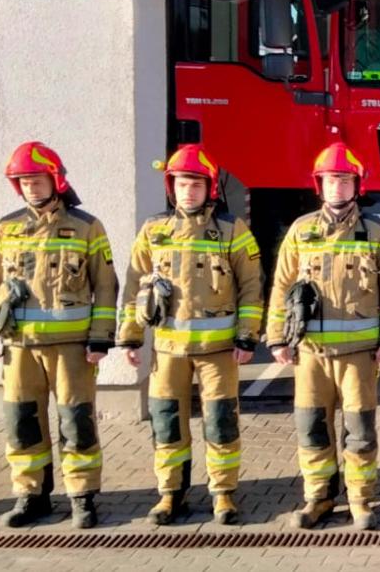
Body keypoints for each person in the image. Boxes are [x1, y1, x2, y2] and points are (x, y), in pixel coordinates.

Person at [116, 145, 263, 525]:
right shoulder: (154, 231)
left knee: (220, 423)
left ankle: (223, 495)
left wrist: (247, 337)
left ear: (209, 188)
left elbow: (251, 286)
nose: (189, 192)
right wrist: (131, 337)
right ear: (172, 186)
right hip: (167, 351)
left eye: (196, 184)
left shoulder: (233, 230)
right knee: (166, 423)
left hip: (219, 352)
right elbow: (135, 286)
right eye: (182, 184)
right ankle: (169, 494)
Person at [265, 142, 380, 529]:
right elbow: (281, 285)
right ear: (319, 185)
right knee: (312, 427)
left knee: (359, 431)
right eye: (330, 180)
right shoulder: (301, 230)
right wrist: (277, 338)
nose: (337, 188)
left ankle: (361, 501)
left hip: (360, 354)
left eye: (344, 180)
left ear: (356, 185)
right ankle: (318, 498)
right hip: (310, 353)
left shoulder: (377, 231)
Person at [0, 141, 117, 529]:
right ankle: (30, 495)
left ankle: (82, 496)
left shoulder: (87, 226)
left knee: (76, 422)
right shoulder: (6, 228)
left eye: (37, 181)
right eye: (23, 182)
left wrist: (101, 337)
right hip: (19, 347)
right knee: (22, 423)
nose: (31, 188)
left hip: (72, 347)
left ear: (55, 180)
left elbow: (105, 285)